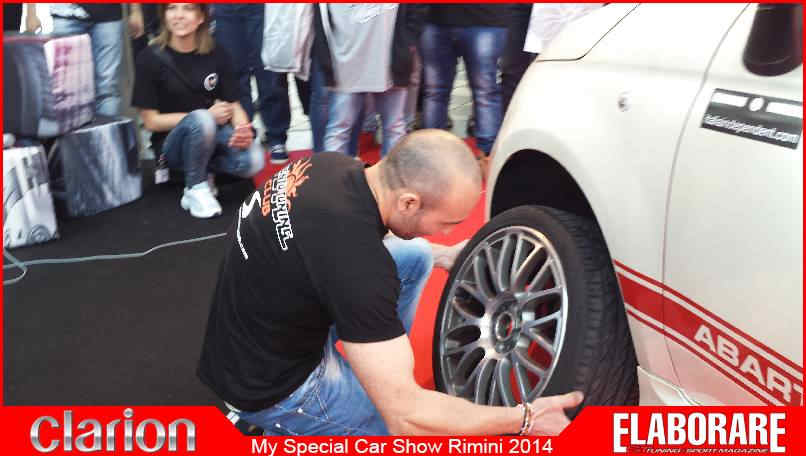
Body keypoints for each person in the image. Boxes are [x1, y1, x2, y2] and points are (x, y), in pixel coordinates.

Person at [197, 129, 583, 435]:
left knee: (416, 256)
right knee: (392, 428)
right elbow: (407, 419)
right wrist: (525, 418)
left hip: (250, 328)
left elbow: (341, 248)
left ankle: (378, 366)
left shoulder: (330, 166)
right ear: (409, 202)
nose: (449, 232)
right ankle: (284, 424)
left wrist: (443, 255)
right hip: (269, 385)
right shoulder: (360, 267)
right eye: (447, 223)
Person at [132, 3, 264, 218]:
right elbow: (151, 122)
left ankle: (205, 172)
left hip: (211, 137)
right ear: (164, 15)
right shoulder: (149, 58)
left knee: (254, 160)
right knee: (202, 119)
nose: (179, 16)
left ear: (201, 17)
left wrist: (242, 129)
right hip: (171, 146)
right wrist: (206, 116)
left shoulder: (217, 52)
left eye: (188, 8)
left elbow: (234, 104)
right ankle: (196, 186)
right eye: (172, 8)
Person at [319, 4, 427, 159]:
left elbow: (418, 10)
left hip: (390, 62)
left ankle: (391, 175)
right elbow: (320, 20)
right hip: (345, 64)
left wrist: (408, 42)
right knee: (339, 129)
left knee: (394, 128)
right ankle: (333, 173)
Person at [420, 4, 511, 174]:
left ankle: (488, 157)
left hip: (485, 18)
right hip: (439, 18)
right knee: (438, 92)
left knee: (483, 92)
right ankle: (430, 156)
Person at [213, 4, 290, 164]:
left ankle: (276, 138)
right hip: (224, 9)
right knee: (233, 73)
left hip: (263, 7)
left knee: (269, 71)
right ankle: (244, 133)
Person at [25, 3, 125, 116]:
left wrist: (135, 11)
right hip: (65, 13)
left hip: (108, 13)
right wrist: (31, 12)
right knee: (66, 89)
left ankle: (108, 127)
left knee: (107, 88)